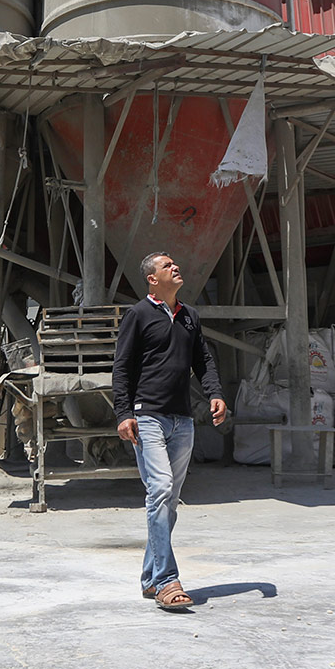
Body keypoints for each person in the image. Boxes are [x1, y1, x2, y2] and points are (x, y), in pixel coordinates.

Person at [113, 250, 228, 610]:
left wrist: (215, 393)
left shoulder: (190, 316)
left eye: (176, 264)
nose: (176, 267)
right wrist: (123, 413)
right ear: (152, 278)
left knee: (168, 502)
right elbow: (122, 367)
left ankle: (150, 577)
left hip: (182, 420)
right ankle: (166, 581)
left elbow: (203, 360)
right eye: (167, 266)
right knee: (160, 490)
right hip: (147, 417)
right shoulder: (138, 314)